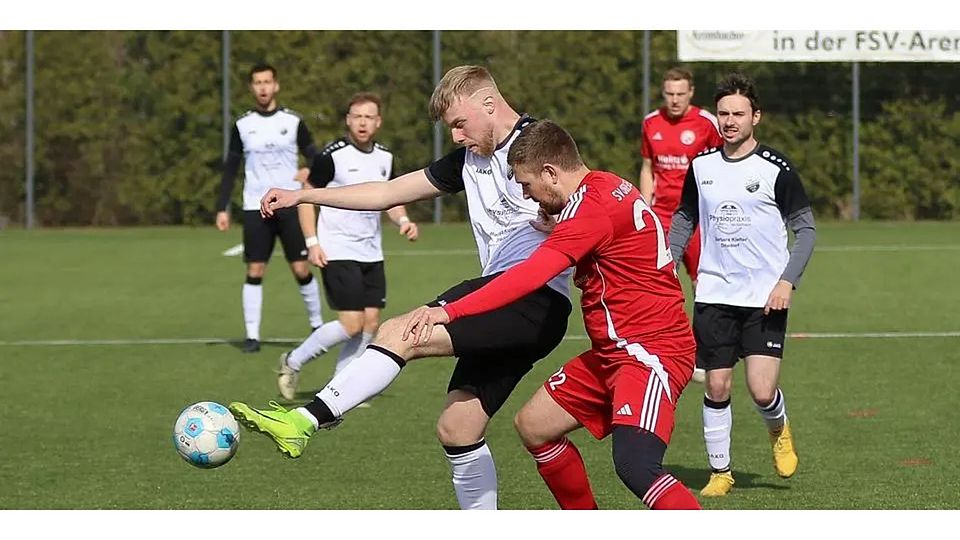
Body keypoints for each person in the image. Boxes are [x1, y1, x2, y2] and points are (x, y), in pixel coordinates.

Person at [228, 65, 573, 510]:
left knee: (398, 332)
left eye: (458, 124)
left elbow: (584, 193)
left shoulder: (541, 143)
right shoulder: (468, 159)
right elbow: (386, 192)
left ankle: (304, 420)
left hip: (529, 295)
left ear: (488, 104)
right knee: (458, 428)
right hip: (513, 307)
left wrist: (558, 216)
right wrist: (304, 196)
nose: (455, 136)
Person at [403, 120, 702, 510]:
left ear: (550, 172)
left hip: (650, 352)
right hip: (615, 352)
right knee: (536, 427)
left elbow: (527, 276)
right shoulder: (604, 185)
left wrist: (450, 312)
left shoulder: (589, 210)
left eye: (527, 185)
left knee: (635, 464)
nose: (528, 196)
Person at [668, 73, 816, 497]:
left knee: (761, 388)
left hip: (766, 297)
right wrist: (668, 260)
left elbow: (805, 231)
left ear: (756, 116)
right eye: (723, 113)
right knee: (716, 384)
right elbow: (684, 218)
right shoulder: (702, 167)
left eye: (738, 113)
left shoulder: (777, 168)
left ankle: (779, 428)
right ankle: (720, 472)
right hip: (714, 293)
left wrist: (787, 282)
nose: (730, 121)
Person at [276, 92, 419, 400]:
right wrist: (312, 242)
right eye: (357, 116)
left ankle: (339, 388)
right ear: (348, 120)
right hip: (337, 248)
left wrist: (403, 220)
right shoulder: (331, 155)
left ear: (378, 122)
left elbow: (391, 197)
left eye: (369, 117)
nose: (362, 122)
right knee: (352, 323)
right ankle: (292, 361)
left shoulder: (385, 157)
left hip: (371, 251)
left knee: (370, 323)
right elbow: (305, 197)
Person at [215, 63, 323, 353]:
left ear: (276, 85)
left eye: (267, 81)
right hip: (254, 206)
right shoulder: (243, 125)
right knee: (255, 268)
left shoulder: (293, 121)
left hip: (289, 203)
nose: (263, 87)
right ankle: (252, 336)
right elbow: (230, 168)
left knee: (301, 267)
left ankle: (317, 327)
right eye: (257, 82)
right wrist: (222, 207)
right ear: (252, 88)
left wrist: (309, 173)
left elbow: (317, 157)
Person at [640, 67, 722, 384]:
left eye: (680, 94)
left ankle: (702, 352)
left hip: (698, 216)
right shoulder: (650, 123)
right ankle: (656, 347)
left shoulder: (706, 123)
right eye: (669, 94)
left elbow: (720, 164)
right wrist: (644, 206)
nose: (674, 100)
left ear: (690, 93)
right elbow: (648, 167)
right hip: (661, 216)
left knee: (704, 282)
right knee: (656, 281)